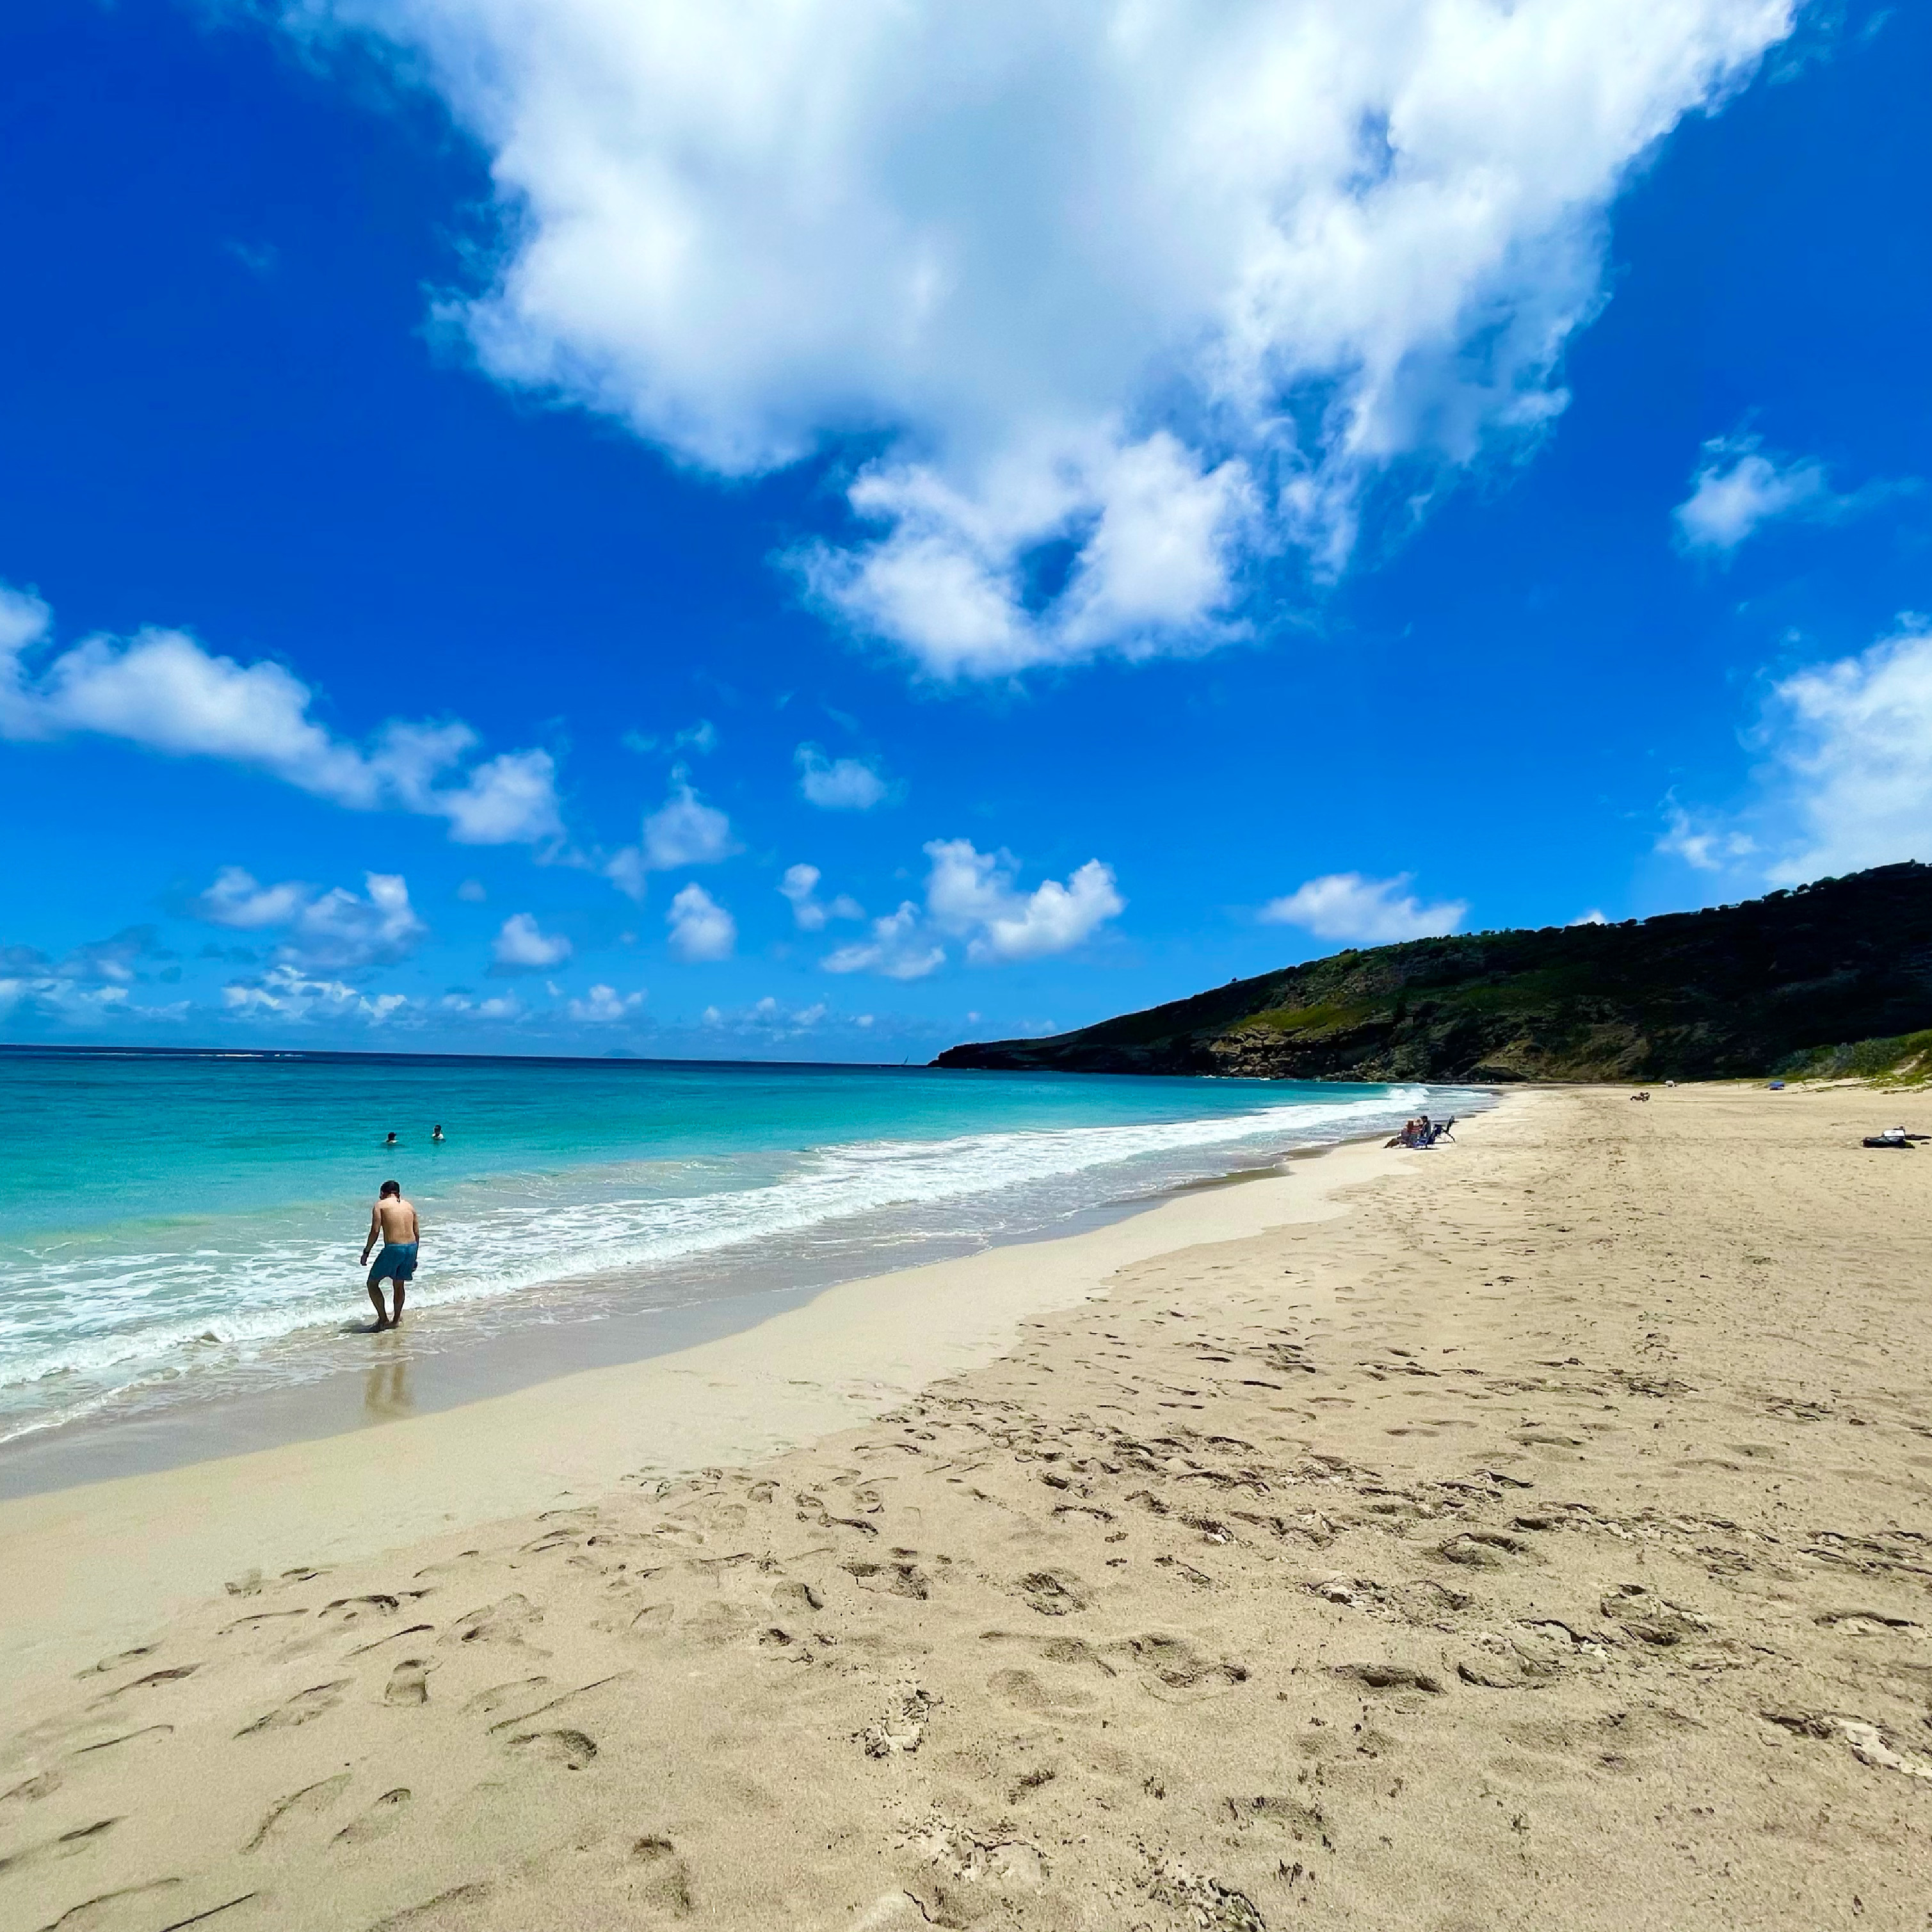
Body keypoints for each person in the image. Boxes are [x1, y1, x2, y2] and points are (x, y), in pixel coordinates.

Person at [360, 1179, 421, 1331]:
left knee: (372, 1283)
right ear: (398, 1193)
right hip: (411, 1247)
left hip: (394, 1248)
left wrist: (366, 1252)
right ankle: (396, 1320)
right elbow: (417, 1234)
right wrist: (415, 1257)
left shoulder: (380, 1205)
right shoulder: (409, 1207)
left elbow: (375, 1231)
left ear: (383, 1193)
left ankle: (383, 1320)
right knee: (399, 1284)